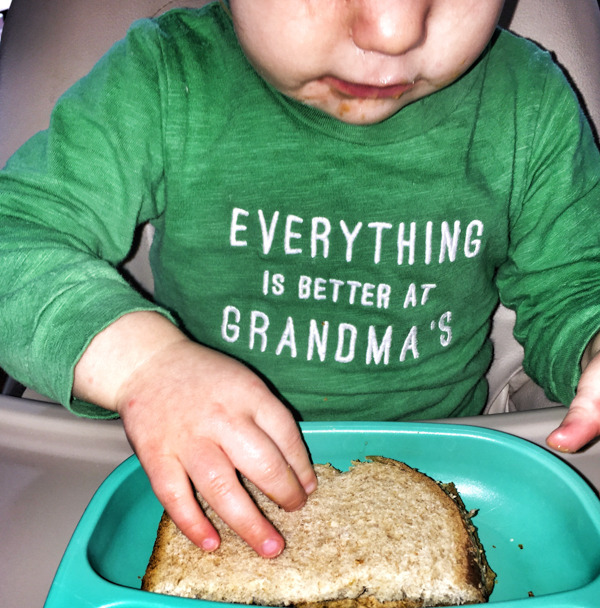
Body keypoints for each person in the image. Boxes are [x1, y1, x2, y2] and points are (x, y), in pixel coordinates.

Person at [1, 0, 600, 558]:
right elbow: (15, 234)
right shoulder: (166, 74)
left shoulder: (529, 103)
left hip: (446, 459)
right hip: (189, 462)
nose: (393, 32)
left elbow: (575, 284)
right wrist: (140, 368)